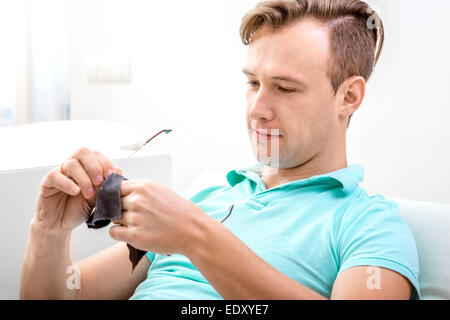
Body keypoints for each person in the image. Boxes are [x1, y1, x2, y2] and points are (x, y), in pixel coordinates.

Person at [20, 0, 420, 300]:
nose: (257, 109)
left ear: (349, 97)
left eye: (285, 88)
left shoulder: (370, 227)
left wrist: (195, 235)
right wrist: (48, 232)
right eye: (252, 83)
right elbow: (66, 295)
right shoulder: (208, 198)